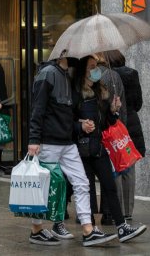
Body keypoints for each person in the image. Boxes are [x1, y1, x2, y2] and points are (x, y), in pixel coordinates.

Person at [27, 54, 116, 246]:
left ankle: (88, 229)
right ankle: (36, 229)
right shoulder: (48, 74)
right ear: (65, 54)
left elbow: (67, 113)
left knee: (82, 182)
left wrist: (78, 125)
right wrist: (34, 139)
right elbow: (38, 108)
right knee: (45, 186)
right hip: (49, 142)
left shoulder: (67, 76)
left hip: (67, 142)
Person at [71, 54, 146, 242]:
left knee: (109, 187)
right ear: (84, 70)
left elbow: (105, 124)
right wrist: (80, 126)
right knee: (86, 190)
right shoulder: (75, 94)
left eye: (96, 66)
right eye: (92, 66)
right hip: (82, 150)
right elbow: (67, 122)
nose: (96, 70)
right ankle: (90, 230)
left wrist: (113, 111)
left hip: (99, 147)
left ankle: (121, 227)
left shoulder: (100, 92)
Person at [105, 50, 145, 221]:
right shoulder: (132, 73)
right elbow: (138, 103)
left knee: (116, 167)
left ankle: (118, 210)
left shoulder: (107, 76)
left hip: (115, 123)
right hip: (131, 124)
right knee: (128, 165)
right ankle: (128, 210)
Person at [95, 52, 128, 225]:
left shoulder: (92, 78)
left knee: (95, 175)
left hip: (97, 131)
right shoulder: (113, 76)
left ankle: (92, 213)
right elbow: (122, 107)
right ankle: (109, 214)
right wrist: (121, 127)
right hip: (110, 130)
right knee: (110, 173)